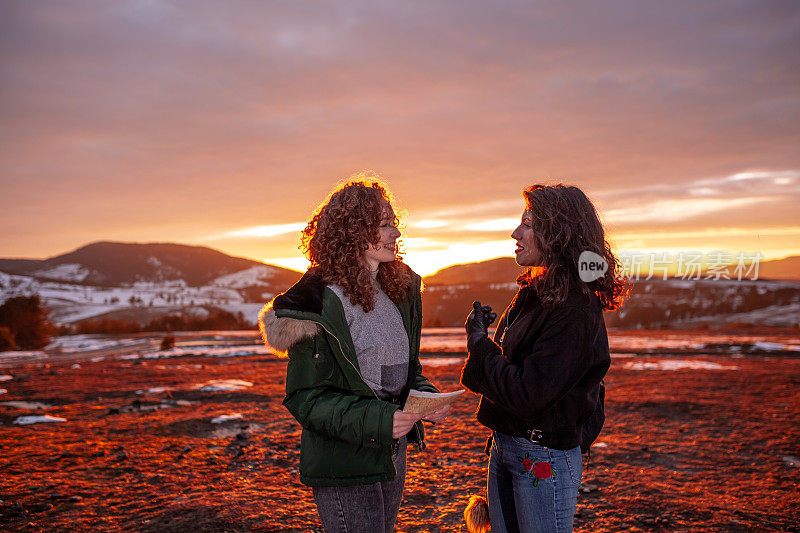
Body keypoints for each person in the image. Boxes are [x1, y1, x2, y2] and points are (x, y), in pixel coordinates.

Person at [259, 178, 449, 533]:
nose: (396, 233)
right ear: (353, 232)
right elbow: (307, 399)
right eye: (385, 224)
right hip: (344, 459)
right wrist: (380, 421)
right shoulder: (319, 304)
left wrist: (426, 397)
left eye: (395, 223)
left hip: (392, 450)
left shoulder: (396, 291)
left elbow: (405, 370)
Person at [460, 184, 626, 533]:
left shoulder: (575, 308)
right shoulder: (536, 292)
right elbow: (520, 374)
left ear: (558, 235)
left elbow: (529, 392)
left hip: (542, 457)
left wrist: (480, 345)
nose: (515, 233)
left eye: (528, 224)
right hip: (508, 448)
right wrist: (488, 339)